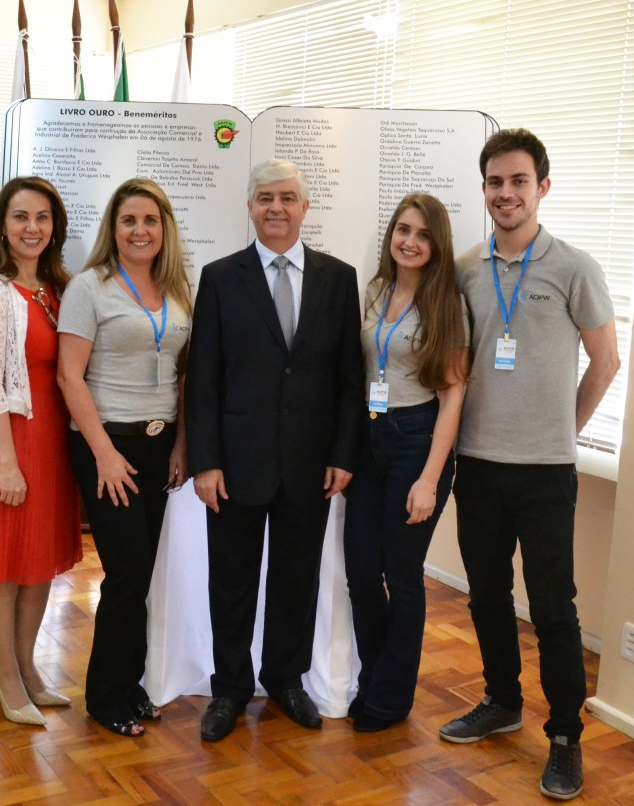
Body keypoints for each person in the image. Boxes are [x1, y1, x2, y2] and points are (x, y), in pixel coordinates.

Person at [437, 129, 620, 801]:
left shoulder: (574, 267)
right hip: (478, 464)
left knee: (552, 607)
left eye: (518, 181)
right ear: (484, 190)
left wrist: (561, 432)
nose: (505, 193)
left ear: (542, 187)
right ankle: (501, 700)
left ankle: (565, 736)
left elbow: (607, 361)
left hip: (545, 472)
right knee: (486, 594)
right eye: (495, 182)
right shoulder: (464, 269)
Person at [186, 159, 363, 742]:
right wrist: (205, 461)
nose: (276, 208)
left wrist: (344, 453)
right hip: (235, 466)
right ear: (250, 206)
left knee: (297, 580)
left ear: (305, 206)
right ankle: (229, 689)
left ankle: (286, 679)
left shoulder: (339, 279)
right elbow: (203, 378)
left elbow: (349, 378)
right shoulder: (220, 277)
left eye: (287, 197)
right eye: (265, 197)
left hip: (310, 466)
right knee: (230, 582)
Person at [56, 178, 192, 738]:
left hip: (161, 445)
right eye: (129, 220)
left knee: (143, 574)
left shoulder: (178, 289)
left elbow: (184, 375)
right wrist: (105, 454)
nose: (140, 230)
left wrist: (181, 444)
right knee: (127, 572)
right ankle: (105, 696)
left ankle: (131, 684)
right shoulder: (89, 287)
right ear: (113, 229)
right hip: (107, 443)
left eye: (150, 221)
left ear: (165, 229)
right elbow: (69, 375)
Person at [342, 193, 468, 732]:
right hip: (370, 439)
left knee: (402, 575)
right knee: (360, 573)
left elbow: (453, 395)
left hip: (416, 440)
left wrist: (429, 479)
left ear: (436, 245)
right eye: (403, 230)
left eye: (422, 234)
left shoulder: (447, 304)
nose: (410, 242)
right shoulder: (375, 290)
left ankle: (391, 700)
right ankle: (373, 679)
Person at [0, 177, 83, 726]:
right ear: (2, 226)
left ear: (54, 227)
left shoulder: (59, 289)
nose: (32, 228)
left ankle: (28, 668)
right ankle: (5, 676)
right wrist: (8, 465)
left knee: (38, 566)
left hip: (52, 442)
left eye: (42, 217)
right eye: (20, 217)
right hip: (7, 443)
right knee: (5, 568)